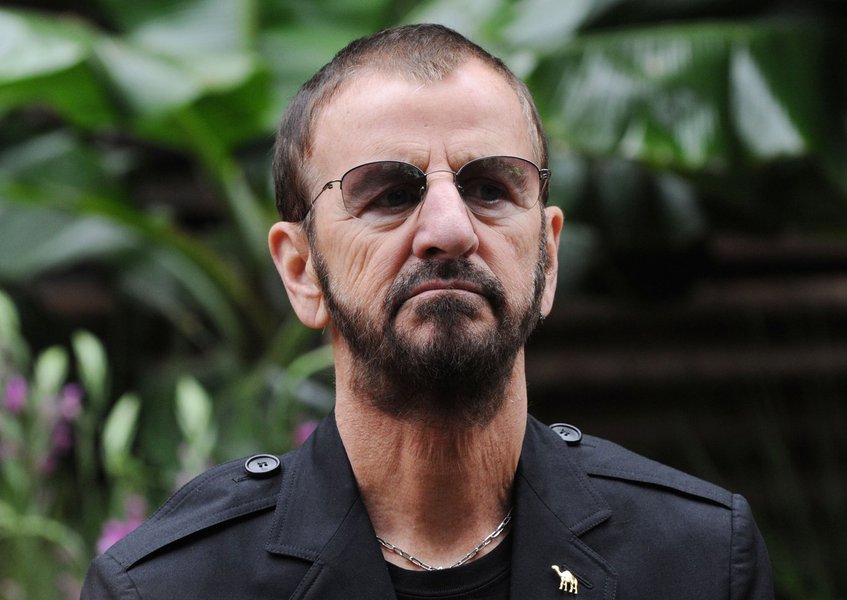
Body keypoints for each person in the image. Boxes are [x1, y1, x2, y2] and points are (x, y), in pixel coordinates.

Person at [81, 23, 773, 599]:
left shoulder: (699, 560)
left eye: (490, 187)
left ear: (547, 257)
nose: (449, 228)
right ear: (301, 271)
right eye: (387, 193)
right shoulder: (171, 586)